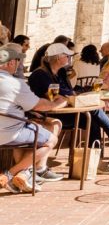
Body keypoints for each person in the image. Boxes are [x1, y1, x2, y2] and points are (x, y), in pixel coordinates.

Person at [27, 43, 109, 173]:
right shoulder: (40, 75)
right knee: (92, 111)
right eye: (67, 56)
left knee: (92, 120)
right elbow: (54, 97)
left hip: (64, 110)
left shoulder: (60, 72)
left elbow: (68, 92)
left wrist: (69, 96)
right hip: (48, 113)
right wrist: (68, 96)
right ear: (58, 58)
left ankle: (96, 160)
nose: (70, 59)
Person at [0, 43, 66, 193]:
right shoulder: (15, 84)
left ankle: (25, 173)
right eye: (18, 61)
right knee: (50, 139)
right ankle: (9, 174)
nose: (19, 65)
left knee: (36, 127)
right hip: (9, 133)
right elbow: (38, 105)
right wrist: (56, 103)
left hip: (7, 128)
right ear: (11, 62)